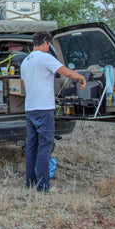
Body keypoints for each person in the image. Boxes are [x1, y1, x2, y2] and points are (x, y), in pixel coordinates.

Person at [21, 31, 86, 192]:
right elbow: (66, 72)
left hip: (31, 108)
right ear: (45, 43)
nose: (48, 47)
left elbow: (25, 87)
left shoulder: (25, 61)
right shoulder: (45, 57)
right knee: (45, 146)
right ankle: (43, 186)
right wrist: (81, 78)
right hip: (44, 109)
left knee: (32, 146)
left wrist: (50, 95)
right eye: (48, 44)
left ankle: (30, 182)